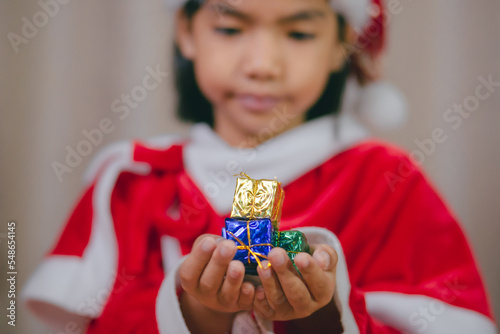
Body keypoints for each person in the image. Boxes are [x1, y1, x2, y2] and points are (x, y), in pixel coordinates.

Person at [22, 0, 497, 333]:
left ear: (341, 44)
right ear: (187, 33)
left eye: (299, 33)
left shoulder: (386, 181)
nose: (263, 64)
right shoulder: (134, 180)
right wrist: (202, 314)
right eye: (230, 28)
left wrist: (319, 316)